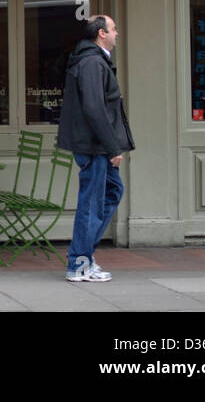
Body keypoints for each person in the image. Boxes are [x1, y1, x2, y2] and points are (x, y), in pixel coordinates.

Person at [57, 15, 135, 282]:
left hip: (96, 145)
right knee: (91, 204)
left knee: (112, 191)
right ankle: (79, 263)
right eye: (114, 29)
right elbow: (94, 108)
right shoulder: (92, 62)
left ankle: (84, 256)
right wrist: (112, 147)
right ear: (102, 33)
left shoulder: (94, 60)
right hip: (95, 147)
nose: (117, 33)